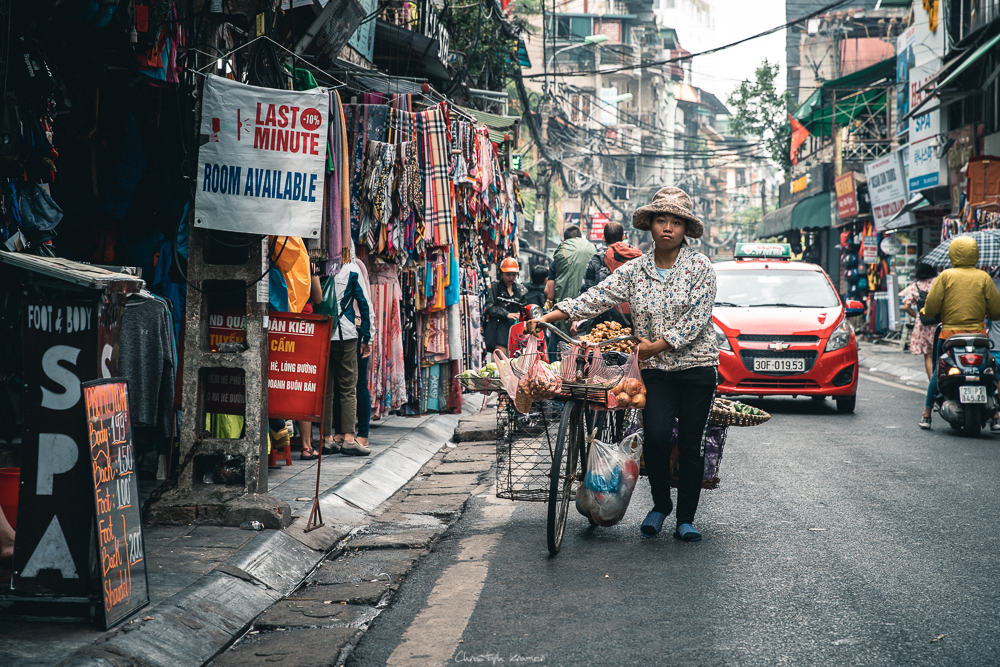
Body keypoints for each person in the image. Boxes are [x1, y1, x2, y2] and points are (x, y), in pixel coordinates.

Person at [528, 187, 718, 542]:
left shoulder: (700, 267)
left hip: (697, 367)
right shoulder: (636, 270)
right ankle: (661, 505)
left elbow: (697, 318)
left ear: (684, 229)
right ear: (650, 225)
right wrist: (553, 314)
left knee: (690, 445)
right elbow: (598, 296)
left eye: (675, 222)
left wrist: (657, 344)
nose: (667, 228)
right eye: (661, 220)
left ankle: (686, 519)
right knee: (658, 439)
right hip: (655, 371)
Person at [918, 236, 1000, 429]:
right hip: (979, 337)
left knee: (938, 370)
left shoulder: (946, 276)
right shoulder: (984, 277)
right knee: (989, 369)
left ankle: (927, 413)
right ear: (975, 254)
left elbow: (931, 307)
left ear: (953, 253)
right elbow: (996, 312)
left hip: (950, 336)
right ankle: (996, 415)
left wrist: (924, 312)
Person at [321, 259, 373, 456]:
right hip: (346, 334)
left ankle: (326, 438)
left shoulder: (317, 265)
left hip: (322, 331)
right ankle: (349, 438)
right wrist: (367, 336)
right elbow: (364, 304)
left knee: (326, 389)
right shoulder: (351, 268)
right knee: (348, 388)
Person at [574, 221, 641, 336]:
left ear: (603, 238)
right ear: (623, 237)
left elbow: (586, 291)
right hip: (635, 324)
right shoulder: (638, 258)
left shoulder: (597, 260)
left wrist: (576, 319)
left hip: (603, 325)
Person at [546, 225, 596, 351]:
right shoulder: (594, 257)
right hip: (588, 315)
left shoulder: (556, 262)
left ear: (565, 241)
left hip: (563, 315)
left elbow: (550, 294)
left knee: (559, 361)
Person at [901, 262, 939, 380]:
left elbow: (906, 306)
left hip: (922, 324)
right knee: (940, 354)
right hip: (938, 324)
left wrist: (917, 315)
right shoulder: (938, 282)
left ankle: (932, 384)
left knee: (928, 355)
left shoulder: (916, 286)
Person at [484, 257, 527, 357]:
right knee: (503, 362)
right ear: (501, 273)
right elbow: (489, 307)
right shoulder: (494, 287)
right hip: (499, 330)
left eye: (513, 275)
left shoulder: (521, 290)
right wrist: (507, 314)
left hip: (516, 330)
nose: (511, 278)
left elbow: (524, 309)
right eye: (508, 274)